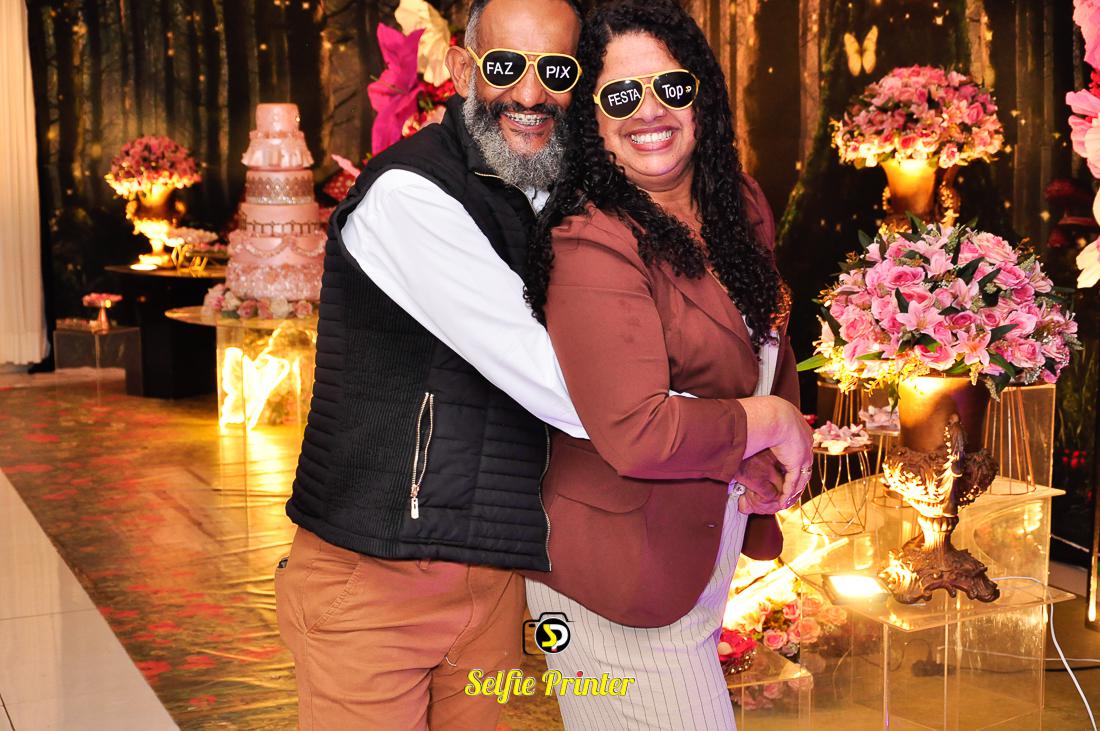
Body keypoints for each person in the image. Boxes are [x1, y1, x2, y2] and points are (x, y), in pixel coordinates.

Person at [274, 1, 587, 728]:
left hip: (495, 578)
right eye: (506, 66)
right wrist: (729, 426)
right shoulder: (409, 193)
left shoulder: (556, 194)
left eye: (556, 70)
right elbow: (555, 381)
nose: (532, 93)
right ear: (461, 70)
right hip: (377, 576)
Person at [521, 1, 813, 728]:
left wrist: (760, 451)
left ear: (699, 95)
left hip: (696, 551)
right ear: (589, 116)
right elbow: (637, 430)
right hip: (610, 583)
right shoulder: (588, 237)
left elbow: (763, 343)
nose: (649, 110)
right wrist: (771, 420)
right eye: (620, 95)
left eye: (670, 87)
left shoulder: (737, 203)